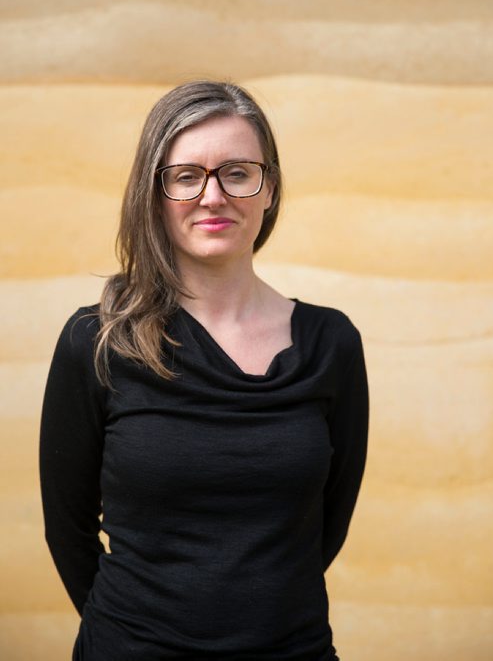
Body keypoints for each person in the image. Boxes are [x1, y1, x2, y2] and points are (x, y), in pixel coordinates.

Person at [39, 80, 369, 661]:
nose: (213, 196)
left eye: (238, 172)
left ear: (269, 190)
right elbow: (67, 528)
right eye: (186, 176)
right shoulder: (97, 340)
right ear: (154, 193)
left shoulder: (331, 343)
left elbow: (328, 523)